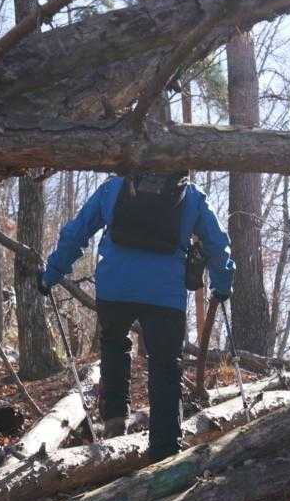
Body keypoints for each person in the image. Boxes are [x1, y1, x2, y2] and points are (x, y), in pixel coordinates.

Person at [39, 171, 234, 460]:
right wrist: (223, 284)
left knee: (114, 346)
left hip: (115, 287)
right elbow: (217, 243)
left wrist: (51, 273)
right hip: (165, 294)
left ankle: (115, 422)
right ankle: (165, 450)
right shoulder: (191, 195)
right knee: (165, 366)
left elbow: (77, 231)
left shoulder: (115, 186)